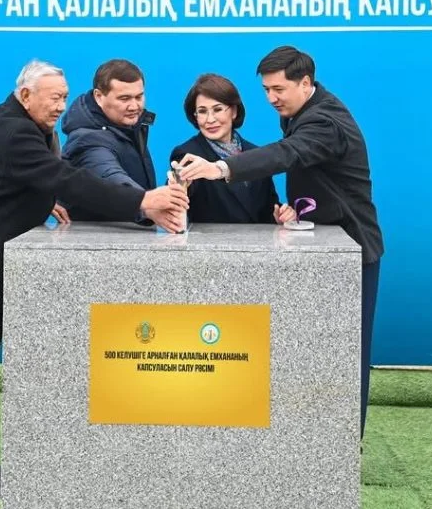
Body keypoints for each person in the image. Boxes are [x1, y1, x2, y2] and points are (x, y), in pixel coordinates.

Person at [0, 59, 188, 501]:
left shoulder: (25, 122)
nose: (60, 107)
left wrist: (41, 199)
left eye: (64, 98)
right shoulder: (14, 131)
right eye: (54, 99)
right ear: (26, 95)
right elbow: (65, 177)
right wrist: (143, 201)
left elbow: (34, 179)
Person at [176, 46, 384, 439]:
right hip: (322, 248)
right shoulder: (302, 112)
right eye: (266, 90)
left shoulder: (323, 121)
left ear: (305, 83)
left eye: (278, 89)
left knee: (347, 356)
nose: (271, 99)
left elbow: (288, 153)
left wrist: (220, 167)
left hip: (353, 252)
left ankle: (344, 447)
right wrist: (297, 212)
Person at [169, 73, 295, 225]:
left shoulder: (255, 153)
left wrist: (280, 215)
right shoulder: (188, 154)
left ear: (234, 111)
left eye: (217, 109)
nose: (210, 119)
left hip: (257, 240)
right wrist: (179, 187)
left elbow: (268, 208)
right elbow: (176, 202)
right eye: (202, 111)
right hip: (211, 240)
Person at [60, 59, 157, 222]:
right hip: (95, 237)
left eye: (139, 97)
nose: (134, 106)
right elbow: (111, 176)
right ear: (99, 97)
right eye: (124, 98)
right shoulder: (87, 139)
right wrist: (149, 206)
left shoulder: (128, 127)